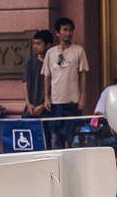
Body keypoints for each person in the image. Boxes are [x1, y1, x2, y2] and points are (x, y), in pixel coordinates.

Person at [44, 16, 89, 148]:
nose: (68, 33)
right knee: (56, 138)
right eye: (64, 30)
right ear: (57, 33)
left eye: (70, 30)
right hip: (55, 102)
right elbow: (47, 76)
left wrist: (82, 97)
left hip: (72, 102)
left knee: (74, 139)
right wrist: (46, 97)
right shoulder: (50, 53)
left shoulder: (78, 51)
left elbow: (83, 75)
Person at [20, 29, 53, 119]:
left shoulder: (53, 63)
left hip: (48, 110)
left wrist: (43, 106)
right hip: (31, 109)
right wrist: (28, 104)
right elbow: (25, 83)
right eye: (34, 43)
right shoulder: (31, 62)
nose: (35, 46)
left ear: (47, 45)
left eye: (38, 44)